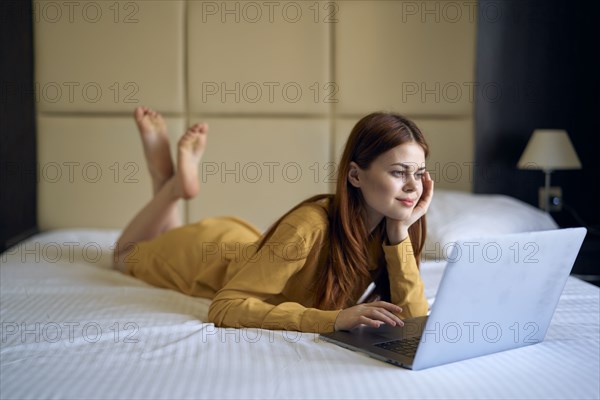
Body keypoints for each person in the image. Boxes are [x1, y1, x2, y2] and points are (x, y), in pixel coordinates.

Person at [113, 107, 434, 334]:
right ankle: (170, 187)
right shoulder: (310, 225)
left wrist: (399, 233)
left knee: (167, 231)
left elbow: (415, 321)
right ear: (354, 175)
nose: (412, 186)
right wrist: (332, 320)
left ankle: (168, 180)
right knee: (125, 254)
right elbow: (224, 306)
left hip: (242, 245)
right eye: (398, 172)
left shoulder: (389, 232)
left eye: (418, 174)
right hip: (199, 259)